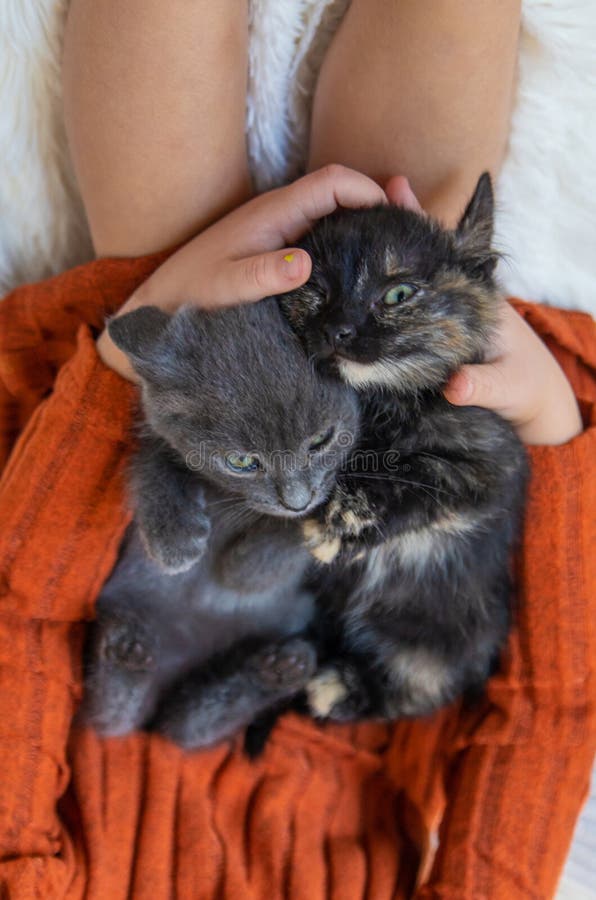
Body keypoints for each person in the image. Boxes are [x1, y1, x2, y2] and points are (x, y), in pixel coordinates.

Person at [0, 3, 593, 897]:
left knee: (158, 216)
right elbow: (550, 716)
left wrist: (129, 362)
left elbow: (17, 626)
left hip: (163, 420)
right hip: (406, 450)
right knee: (410, 213)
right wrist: (552, 429)